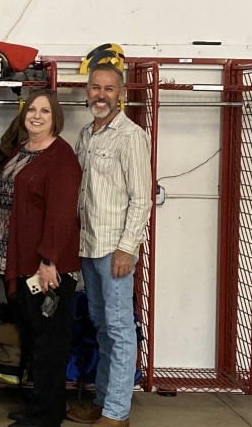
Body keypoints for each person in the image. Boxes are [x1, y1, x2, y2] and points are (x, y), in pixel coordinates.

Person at [66, 63, 152, 427]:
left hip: (114, 248)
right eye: (95, 87)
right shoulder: (86, 135)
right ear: (88, 91)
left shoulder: (130, 136)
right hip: (88, 246)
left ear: (121, 94)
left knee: (118, 328)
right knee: (101, 325)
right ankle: (103, 403)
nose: (101, 94)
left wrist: (127, 247)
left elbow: (142, 198)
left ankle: (117, 414)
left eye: (109, 89)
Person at [0, 90, 81, 427]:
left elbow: (61, 215)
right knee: (34, 336)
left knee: (49, 343)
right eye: (32, 109)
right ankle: (40, 406)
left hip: (46, 268)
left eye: (45, 111)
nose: (37, 116)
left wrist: (48, 261)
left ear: (55, 117)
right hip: (17, 262)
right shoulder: (22, 150)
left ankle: (46, 416)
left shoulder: (61, 156)